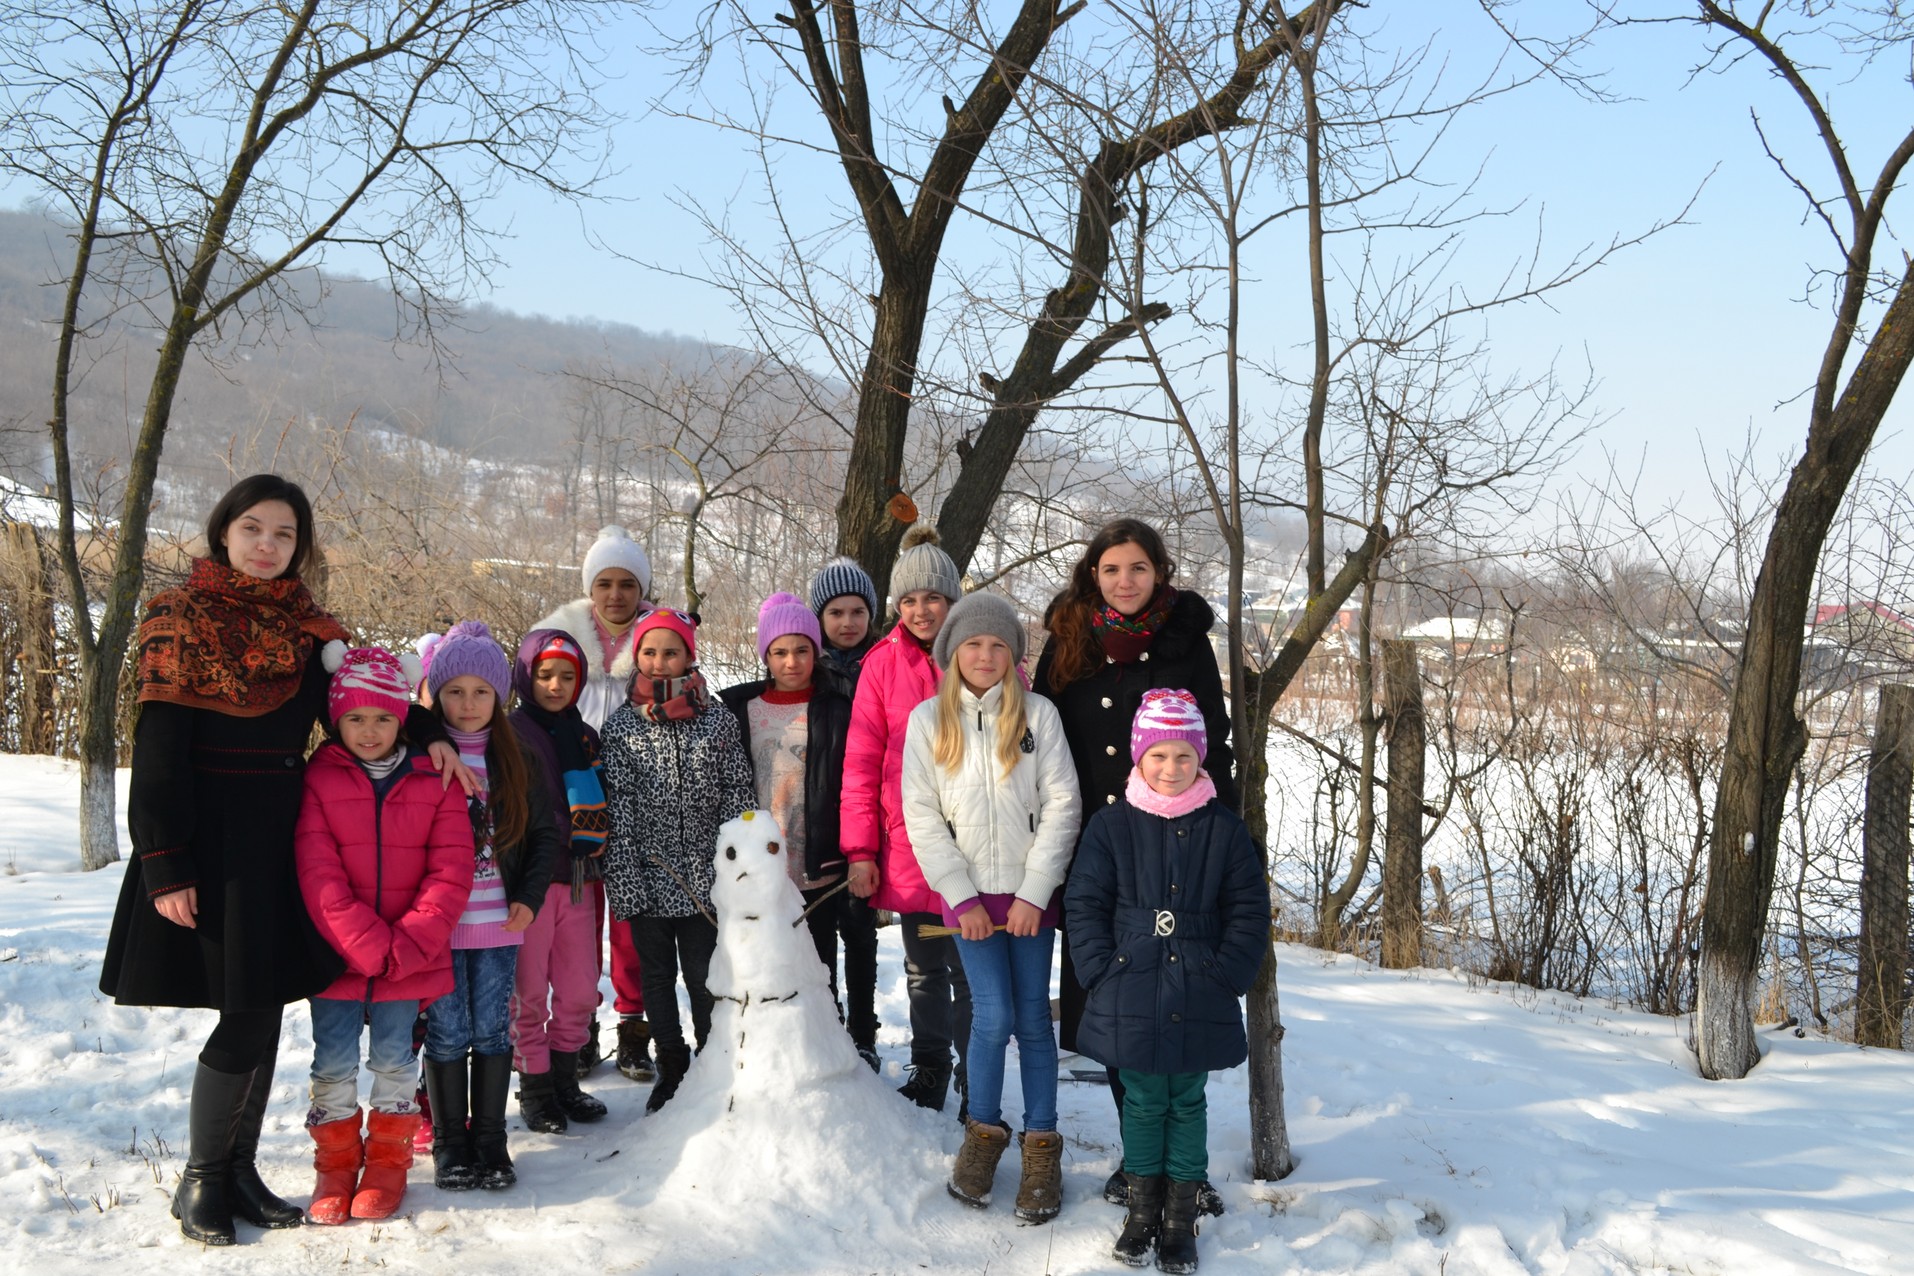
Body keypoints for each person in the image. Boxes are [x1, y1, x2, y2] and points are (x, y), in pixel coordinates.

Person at [98, 474, 466, 1246]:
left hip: (279, 837)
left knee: (264, 1007)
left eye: (285, 535)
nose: (267, 546)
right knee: (241, 1014)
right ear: (223, 531)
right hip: (208, 842)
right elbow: (157, 750)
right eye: (253, 529)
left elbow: (370, 696)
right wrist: (165, 861)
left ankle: (238, 1170)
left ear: (301, 547)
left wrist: (431, 729)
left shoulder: (309, 630)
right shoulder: (177, 616)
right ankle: (201, 1178)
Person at [1032, 518, 1236, 1214]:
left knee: (1173, 1006)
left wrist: (1223, 833)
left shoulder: (1185, 638)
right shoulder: (1068, 637)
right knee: (1121, 1008)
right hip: (1096, 844)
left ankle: (1182, 1170)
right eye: (1112, 568)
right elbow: (1041, 739)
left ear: (1159, 573)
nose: (1125, 581)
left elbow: (1214, 740)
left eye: (1138, 568)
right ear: (1093, 574)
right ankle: (1138, 1159)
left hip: (1175, 845)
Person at [1063, 690, 1268, 1274]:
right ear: (1139, 757)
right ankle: (1140, 1211)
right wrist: (1100, 970)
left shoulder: (1223, 829)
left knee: (1187, 1099)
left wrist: (1226, 974)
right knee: (1144, 1099)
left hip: (1199, 983)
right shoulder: (1111, 826)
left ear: (1200, 759)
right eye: (1158, 755)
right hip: (1130, 984)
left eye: (1183, 756)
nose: (1171, 768)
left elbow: (1249, 909)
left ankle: (1179, 1220)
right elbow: (1084, 902)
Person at [900, 591, 1081, 1222]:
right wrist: (960, 896)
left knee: (1032, 1018)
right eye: (973, 644)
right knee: (992, 1014)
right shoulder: (929, 721)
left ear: (1013, 654)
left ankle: (1041, 1143)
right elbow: (922, 815)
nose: (985, 655)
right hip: (968, 899)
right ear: (952, 652)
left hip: (1031, 896)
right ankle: (982, 1133)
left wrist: (1036, 891)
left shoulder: (1039, 715)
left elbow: (1063, 804)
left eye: (998, 644)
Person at [295, 644, 473, 1223]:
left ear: (402, 718)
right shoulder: (318, 778)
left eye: (381, 718)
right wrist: (366, 944)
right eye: (355, 718)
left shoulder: (436, 778)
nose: (369, 731)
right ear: (336, 720)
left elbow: (451, 869)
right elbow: (317, 870)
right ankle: (335, 1163)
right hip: (336, 956)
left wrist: (409, 943)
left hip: (409, 957)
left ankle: (389, 1161)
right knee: (332, 1062)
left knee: (397, 1060)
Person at [599, 607, 756, 1112]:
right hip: (648, 879)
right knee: (656, 979)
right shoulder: (621, 728)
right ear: (636, 657)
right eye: (649, 652)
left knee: (705, 978)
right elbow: (618, 810)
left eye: (671, 652)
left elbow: (737, 791)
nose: (659, 662)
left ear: (689, 656)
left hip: (705, 882)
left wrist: (734, 870)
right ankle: (671, 1063)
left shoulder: (717, 720)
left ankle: (713, 1062)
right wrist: (627, 882)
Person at [420, 621, 558, 1192]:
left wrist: (528, 898)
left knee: (492, 1032)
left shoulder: (516, 754)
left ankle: (491, 1140)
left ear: (499, 695)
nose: (469, 703)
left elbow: (547, 833)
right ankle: (450, 1144)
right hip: (439, 927)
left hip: (499, 923)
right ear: (436, 695)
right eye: (455, 691)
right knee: (447, 1031)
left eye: (482, 692)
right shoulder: (423, 755)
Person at [842, 526, 972, 1113]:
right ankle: (930, 1067)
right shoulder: (880, 664)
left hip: (975, 849)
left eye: (933, 598)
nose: (921, 611)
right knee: (923, 969)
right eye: (910, 600)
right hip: (909, 847)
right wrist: (860, 851)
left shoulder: (981, 651)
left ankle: (978, 1073)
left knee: (971, 971)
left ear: (953, 600)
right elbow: (861, 764)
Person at [717, 593, 876, 1069]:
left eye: (802, 650)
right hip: (765, 864)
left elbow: (855, 777)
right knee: (778, 958)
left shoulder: (838, 707)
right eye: (780, 652)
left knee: (824, 955)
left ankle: (853, 1039)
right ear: (765, 655)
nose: (792, 662)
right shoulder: (740, 707)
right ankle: (791, 1045)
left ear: (816, 651)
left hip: (821, 857)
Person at [535, 525, 656, 1084]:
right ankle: (576, 1029)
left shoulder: (659, 643)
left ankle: (633, 1030)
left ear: (642, 589)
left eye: (627, 584)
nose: (615, 595)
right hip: (573, 808)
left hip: (637, 808)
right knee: (578, 930)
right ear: (589, 588)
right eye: (604, 583)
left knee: (630, 927)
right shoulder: (559, 640)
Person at [507, 628, 613, 1132]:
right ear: (526, 676)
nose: (555, 685)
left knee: (578, 989)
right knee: (528, 992)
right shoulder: (510, 732)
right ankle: (536, 1088)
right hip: (529, 883)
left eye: (567, 677)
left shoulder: (585, 734)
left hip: (578, 878)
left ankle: (566, 1083)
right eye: (545, 674)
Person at [808, 556, 880, 699]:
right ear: (820, 618)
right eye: (836, 613)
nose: (848, 623)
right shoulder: (808, 664)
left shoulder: (886, 660)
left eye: (857, 612)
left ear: (869, 615)